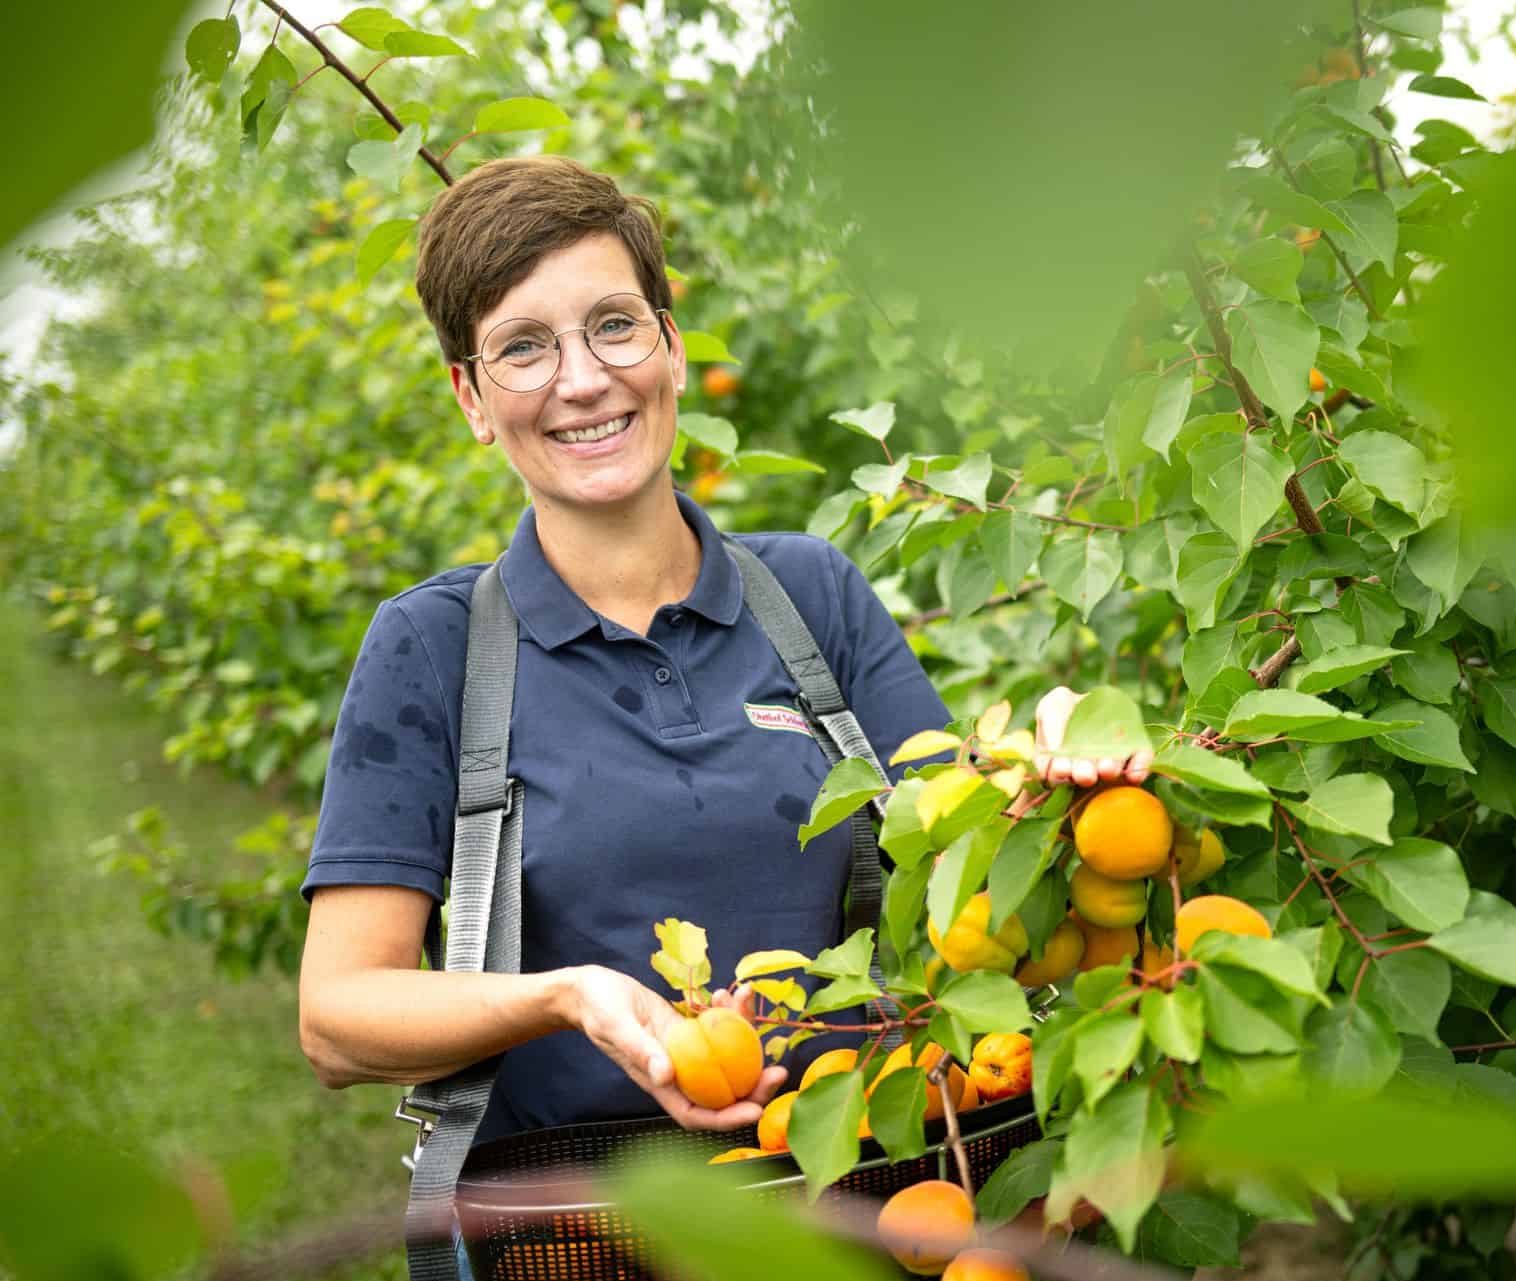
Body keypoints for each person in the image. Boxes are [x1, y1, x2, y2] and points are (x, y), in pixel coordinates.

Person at [295, 155, 1149, 1164]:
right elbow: (338, 1018)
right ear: (472, 400)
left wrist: (1039, 767)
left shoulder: (807, 595)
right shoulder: (435, 647)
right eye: (521, 348)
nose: (581, 379)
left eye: (612, 324)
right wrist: (568, 998)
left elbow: (955, 861)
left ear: (671, 350)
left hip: (861, 1193)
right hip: (588, 1242)